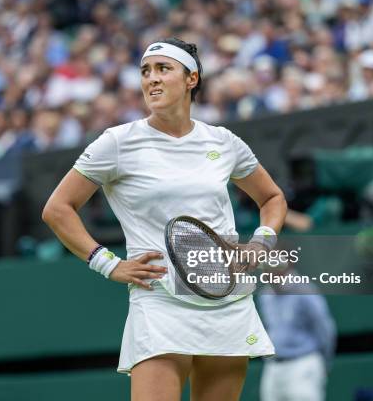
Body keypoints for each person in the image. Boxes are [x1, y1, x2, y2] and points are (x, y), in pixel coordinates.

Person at [42, 38, 287, 401]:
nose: (151, 79)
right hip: (159, 300)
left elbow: (272, 197)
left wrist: (261, 241)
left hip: (227, 300)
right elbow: (57, 209)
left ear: (191, 79)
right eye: (145, 71)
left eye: (163, 69)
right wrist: (107, 264)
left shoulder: (223, 141)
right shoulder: (117, 142)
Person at [258, 268, 337, 401]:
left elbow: (324, 328)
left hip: (303, 364)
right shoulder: (265, 295)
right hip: (273, 368)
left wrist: (324, 362)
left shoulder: (304, 290)